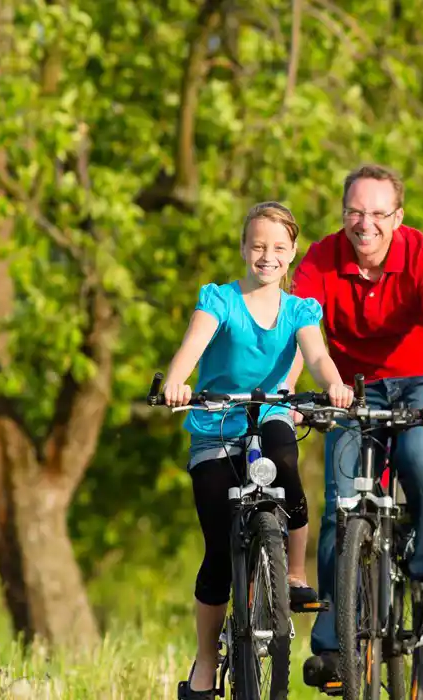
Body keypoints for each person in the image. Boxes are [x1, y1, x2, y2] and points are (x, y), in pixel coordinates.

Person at [159, 202, 356, 700]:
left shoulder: (299, 309)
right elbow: (193, 345)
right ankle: (206, 662)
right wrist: (178, 382)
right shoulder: (219, 300)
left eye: (278, 247)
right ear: (245, 248)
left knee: (286, 462)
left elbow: (316, 354)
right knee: (219, 555)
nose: (267, 255)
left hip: (269, 413)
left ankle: (292, 572)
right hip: (215, 422)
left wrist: (332, 385)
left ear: (292, 254)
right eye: (258, 245)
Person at [292, 164, 423, 689]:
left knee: (420, 459)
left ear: (397, 216)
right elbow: (304, 332)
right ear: (343, 213)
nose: (364, 223)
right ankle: (331, 642)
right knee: (341, 505)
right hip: (350, 387)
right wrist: (306, 389)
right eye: (354, 211)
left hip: (422, 382)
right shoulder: (323, 257)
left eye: (376, 213)